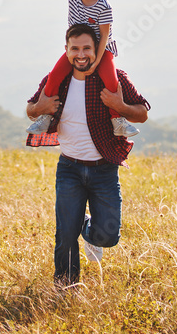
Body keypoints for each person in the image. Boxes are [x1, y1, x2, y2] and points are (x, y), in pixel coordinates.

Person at [26, 23, 150, 287]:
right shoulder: (56, 80)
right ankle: (65, 289)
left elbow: (142, 112)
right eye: (75, 49)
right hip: (69, 168)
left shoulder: (114, 78)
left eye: (86, 49)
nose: (80, 54)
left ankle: (88, 229)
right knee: (65, 236)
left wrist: (120, 105)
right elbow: (31, 109)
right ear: (66, 50)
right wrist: (40, 107)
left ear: (97, 50)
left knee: (109, 236)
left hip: (104, 169)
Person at [26, 0, 139, 138]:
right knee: (54, 76)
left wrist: (96, 62)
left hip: (101, 49)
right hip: (77, 47)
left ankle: (117, 119)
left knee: (110, 80)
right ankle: (46, 116)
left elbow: (105, 36)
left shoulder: (103, 6)